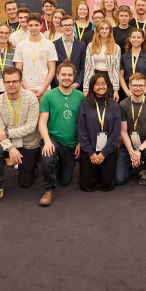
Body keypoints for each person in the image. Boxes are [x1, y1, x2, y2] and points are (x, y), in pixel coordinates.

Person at [0, 67, 41, 206]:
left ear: (21, 81)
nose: (11, 85)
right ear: (3, 83)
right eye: (8, 81)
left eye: (15, 81)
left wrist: (8, 133)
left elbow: (31, 127)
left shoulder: (31, 99)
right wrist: (10, 148)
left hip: (29, 142)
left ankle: (33, 164)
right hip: (7, 142)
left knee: (26, 183)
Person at [38, 61, 85, 204]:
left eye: (70, 75)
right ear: (57, 76)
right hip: (53, 138)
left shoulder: (81, 97)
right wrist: (46, 141)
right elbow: (42, 122)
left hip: (71, 143)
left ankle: (55, 164)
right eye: (63, 74)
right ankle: (49, 190)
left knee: (65, 181)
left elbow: (83, 124)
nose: (66, 77)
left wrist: (79, 142)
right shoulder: (48, 96)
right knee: (47, 156)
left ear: (74, 77)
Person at [77, 73, 121, 191]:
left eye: (103, 84)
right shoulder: (84, 104)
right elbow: (82, 131)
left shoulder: (114, 105)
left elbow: (116, 133)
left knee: (107, 185)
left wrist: (103, 154)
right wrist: (91, 153)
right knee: (88, 186)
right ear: (92, 86)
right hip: (89, 150)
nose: (101, 86)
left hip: (108, 150)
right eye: (97, 84)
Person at [117, 73, 146, 186]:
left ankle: (145, 169)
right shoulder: (123, 105)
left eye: (141, 85)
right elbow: (123, 132)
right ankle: (134, 164)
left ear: (145, 86)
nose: (138, 88)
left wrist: (139, 150)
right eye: (135, 85)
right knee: (119, 179)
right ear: (129, 86)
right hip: (128, 145)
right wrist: (132, 151)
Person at [13, 13, 58, 99]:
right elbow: (18, 71)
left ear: (41, 25)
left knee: (44, 113)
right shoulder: (20, 46)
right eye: (31, 25)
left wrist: (43, 89)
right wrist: (27, 89)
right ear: (27, 26)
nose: (33, 28)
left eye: (36, 25)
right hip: (25, 90)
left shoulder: (49, 45)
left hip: (45, 90)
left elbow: (52, 70)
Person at [82, 20, 121, 98]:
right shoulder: (91, 46)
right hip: (94, 77)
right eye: (102, 28)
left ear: (110, 31)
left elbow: (116, 69)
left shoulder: (116, 47)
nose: (104, 31)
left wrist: (116, 90)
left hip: (109, 79)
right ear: (97, 30)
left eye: (107, 28)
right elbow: (88, 68)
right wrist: (85, 88)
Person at [52, 16, 85, 90]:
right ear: (61, 27)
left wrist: (77, 83)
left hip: (77, 87)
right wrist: (60, 83)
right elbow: (53, 68)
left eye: (70, 25)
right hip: (58, 86)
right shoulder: (54, 45)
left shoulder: (82, 45)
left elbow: (83, 67)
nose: (67, 27)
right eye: (65, 25)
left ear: (73, 26)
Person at [119, 28, 146, 96]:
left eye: (139, 37)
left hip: (144, 92)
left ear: (143, 39)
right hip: (128, 92)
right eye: (133, 37)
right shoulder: (124, 57)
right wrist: (127, 92)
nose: (136, 39)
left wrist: (144, 91)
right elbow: (121, 76)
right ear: (129, 39)